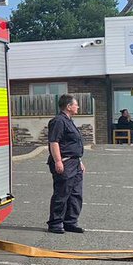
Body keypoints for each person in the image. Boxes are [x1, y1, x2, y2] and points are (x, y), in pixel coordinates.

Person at [47, 94, 86, 234]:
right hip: (65, 162)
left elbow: (72, 143)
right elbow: (54, 142)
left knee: (76, 194)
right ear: (69, 106)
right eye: (76, 104)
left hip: (74, 162)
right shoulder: (58, 121)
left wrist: (79, 161)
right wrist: (58, 161)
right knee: (62, 193)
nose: (78, 107)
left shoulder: (69, 121)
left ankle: (70, 222)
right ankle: (56, 223)